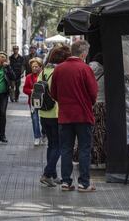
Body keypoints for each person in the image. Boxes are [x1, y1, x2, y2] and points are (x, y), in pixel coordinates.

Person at [50, 40, 98, 192]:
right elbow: (93, 93)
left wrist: (64, 103)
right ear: (83, 53)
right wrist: (86, 102)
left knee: (66, 149)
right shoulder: (85, 69)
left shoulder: (59, 69)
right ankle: (84, 183)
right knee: (84, 149)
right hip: (83, 115)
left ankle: (66, 182)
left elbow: (53, 92)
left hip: (65, 115)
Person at [39, 46, 71, 187]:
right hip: (56, 113)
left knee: (51, 145)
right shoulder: (60, 72)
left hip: (43, 112)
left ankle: (53, 175)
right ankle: (47, 174)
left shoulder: (44, 71)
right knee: (58, 146)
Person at [88, 53, 106, 168]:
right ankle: (100, 160)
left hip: (90, 105)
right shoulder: (105, 75)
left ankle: (91, 160)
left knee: (90, 132)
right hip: (102, 105)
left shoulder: (88, 72)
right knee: (101, 133)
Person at [23, 57, 44, 146]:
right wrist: (30, 91)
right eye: (33, 67)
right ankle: (37, 137)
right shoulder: (28, 77)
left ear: (40, 67)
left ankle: (44, 135)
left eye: (36, 66)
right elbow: (24, 89)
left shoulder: (44, 76)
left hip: (44, 102)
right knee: (35, 119)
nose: (34, 68)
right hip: (33, 102)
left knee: (44, 120)